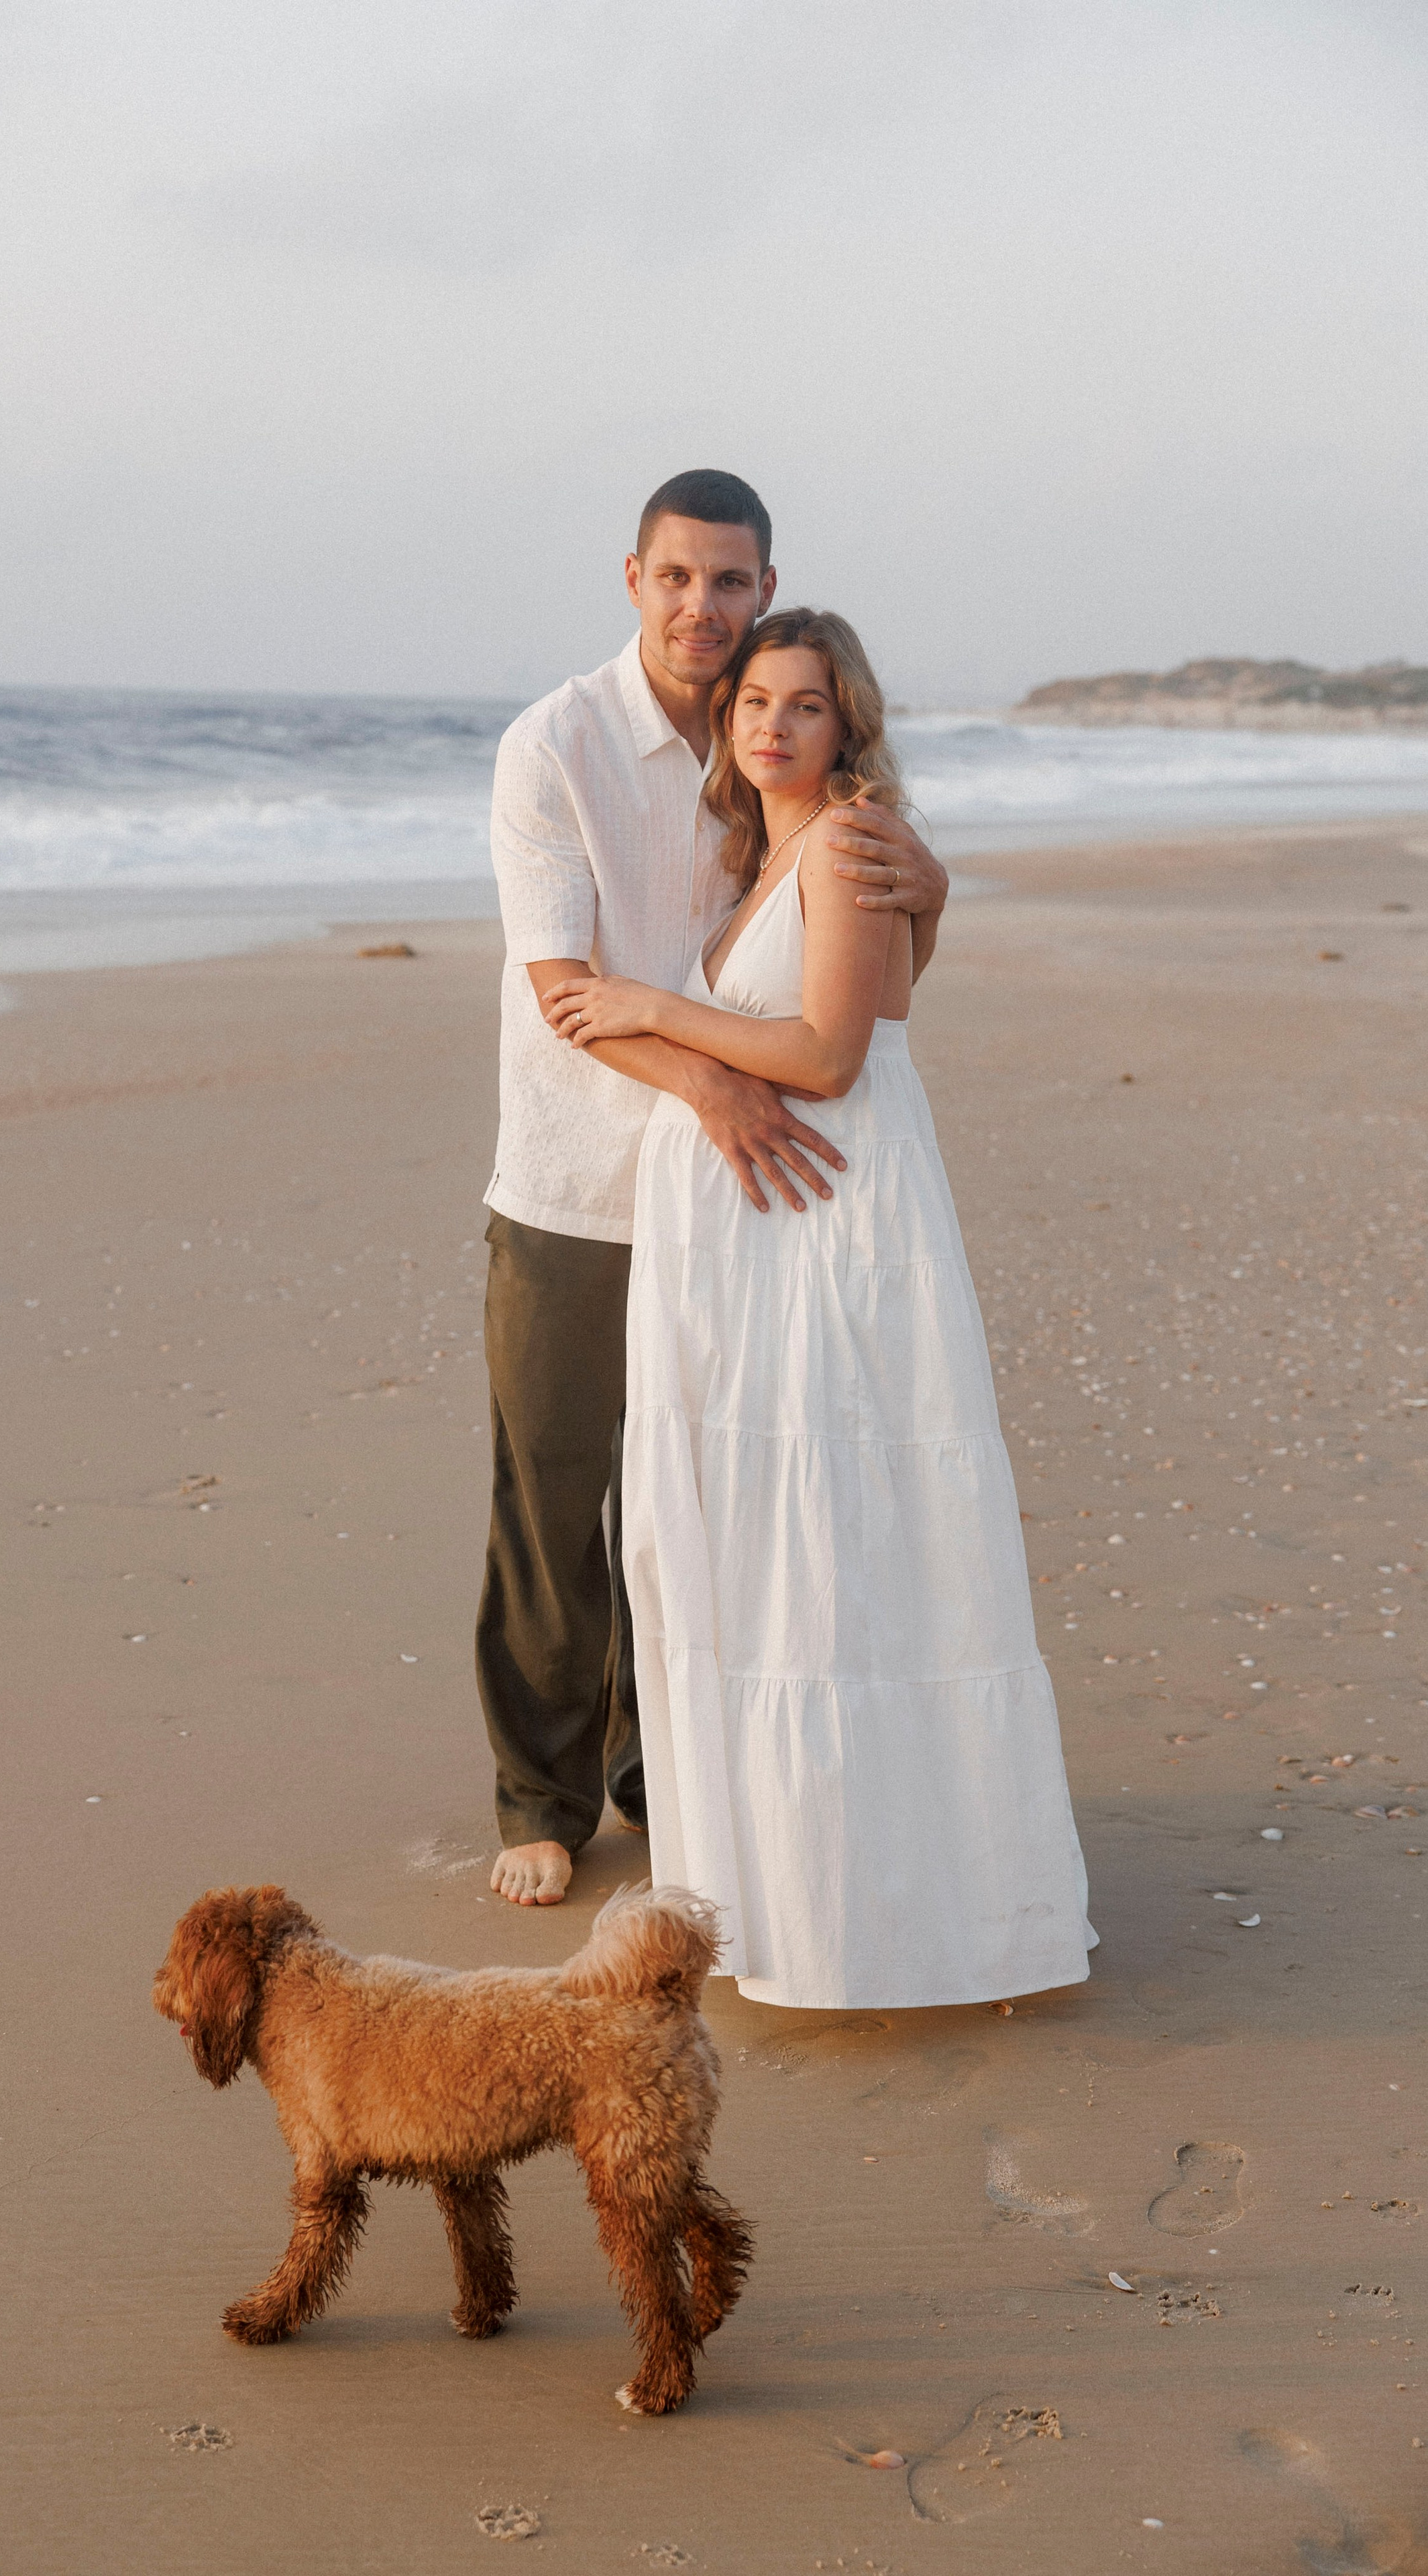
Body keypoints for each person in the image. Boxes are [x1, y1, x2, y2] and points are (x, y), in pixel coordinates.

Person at [543, 608, 1095, 2007]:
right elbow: (875, 1001)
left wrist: (645, 1010)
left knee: (831, 1556)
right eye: (751, 705)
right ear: (725, 728)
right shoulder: (771, 856)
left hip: (823, 1233)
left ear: (844, 720)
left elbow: (829, 1055)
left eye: (802, 703)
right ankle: (801, 1887)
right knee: (792, 1555)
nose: (773, 725)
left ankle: (867, 1914)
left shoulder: (846, 841)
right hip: (780, 1240)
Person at [480, 473, 949, 1907]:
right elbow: (566, 987)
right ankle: (542, 1796)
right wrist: (712, 1083)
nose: (703, 608)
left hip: (735, 1211)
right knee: (554, 1493)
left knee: (700, 1499)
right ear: (632, 578)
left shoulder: (771, 755)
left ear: (762, 589)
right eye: (677, 578)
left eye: (729, 583)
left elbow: (859, 980)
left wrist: (933, 892)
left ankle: (661, 1773)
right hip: (573, 1184)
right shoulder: (552, 746)